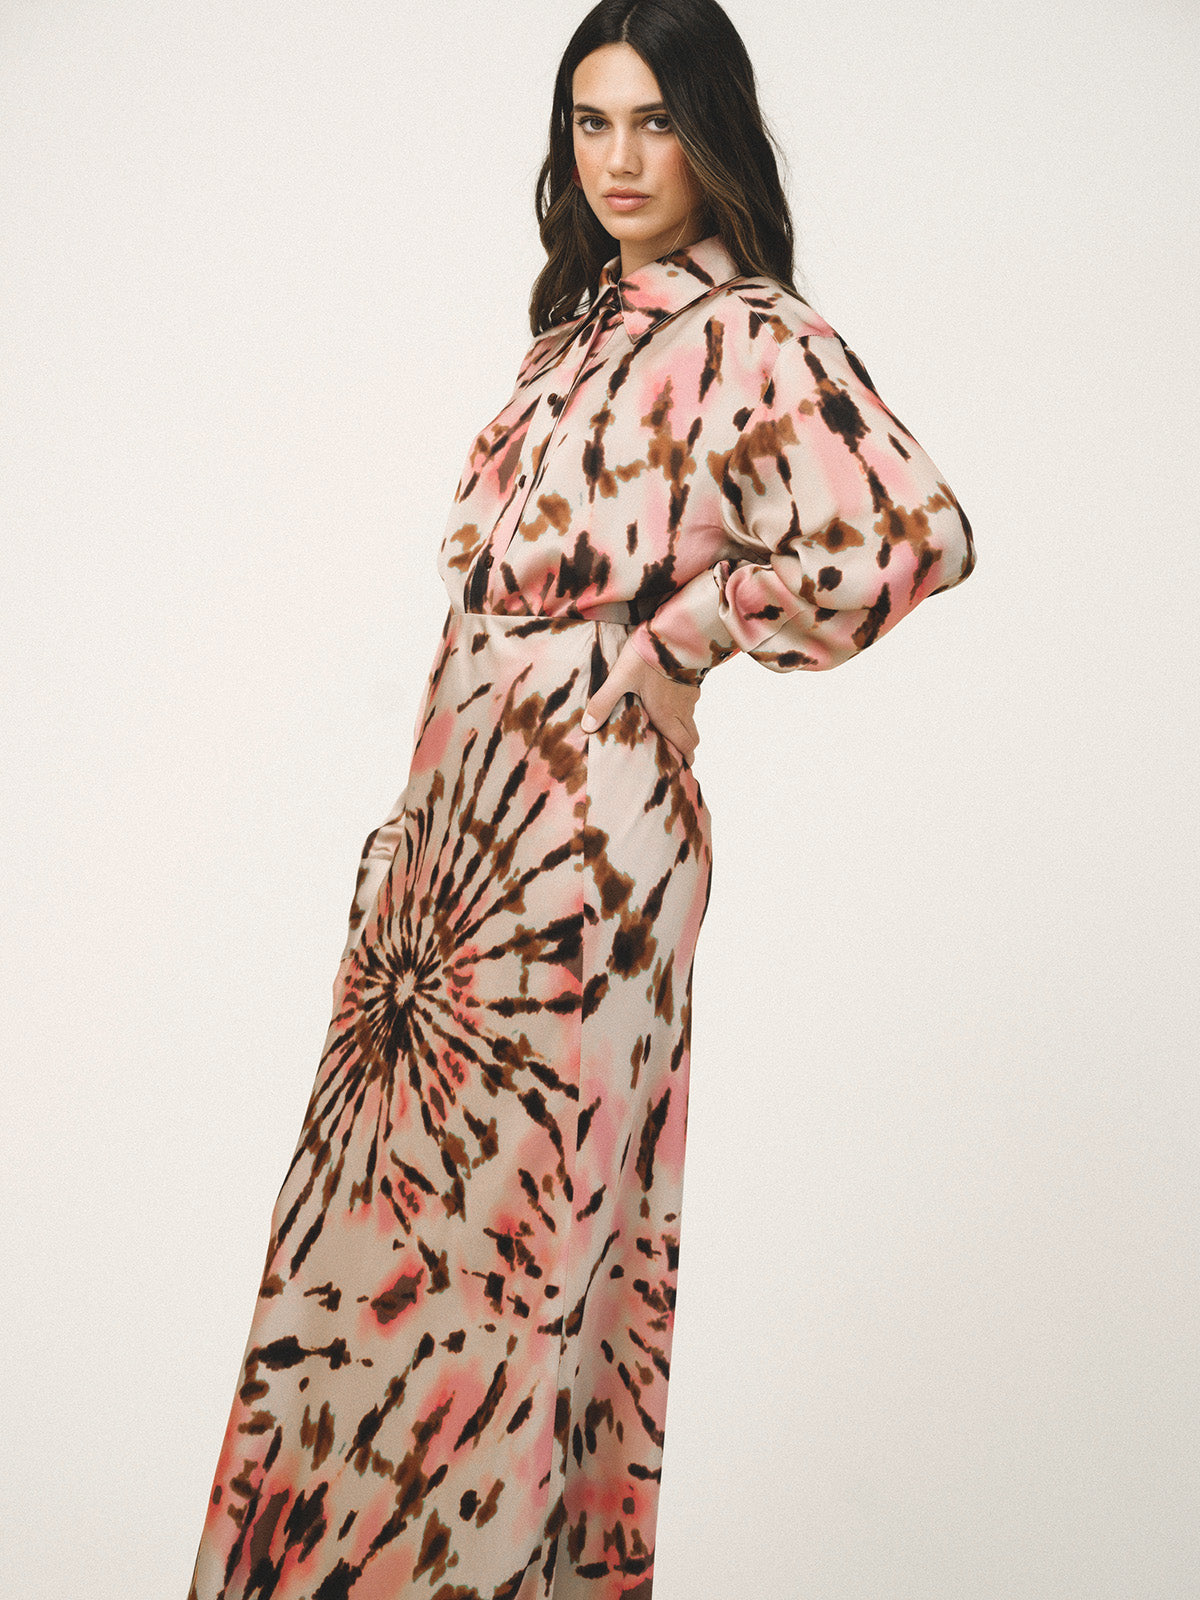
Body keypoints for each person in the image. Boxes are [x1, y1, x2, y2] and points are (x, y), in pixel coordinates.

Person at [186, 1, 975, 1596]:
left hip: (586, 877)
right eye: (590, 122)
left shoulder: (752, 335)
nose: (619, 158)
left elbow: (913, 534)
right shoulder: (567, 341)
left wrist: (691, 633)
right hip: (446, 878)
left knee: (509, 1286)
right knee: (360, 1270)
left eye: (654, 122)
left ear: (713, 135)